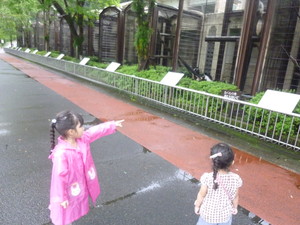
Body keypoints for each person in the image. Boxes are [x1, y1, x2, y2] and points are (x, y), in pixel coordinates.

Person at [48, 110, 124, 225]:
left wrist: (111, 125)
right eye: (80, 126)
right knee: (65, 213)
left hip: (78, 184)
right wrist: (61, 198)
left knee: (75, 206)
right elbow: (59, 178)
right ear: (71, 132)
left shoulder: (82, 139)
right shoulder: (61, 154)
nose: (83, 128)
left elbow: (94, 131)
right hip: (66, 190)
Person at [194, 143, 242, 225]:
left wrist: (197, 206)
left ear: (213, 162)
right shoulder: (236, 179)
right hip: (225, 215)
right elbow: (235, 196)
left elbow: (201, 195)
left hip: (207, 215)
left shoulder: (207, 178)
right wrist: (235, 207)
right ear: (232, 162)